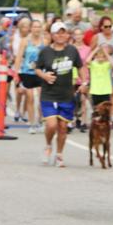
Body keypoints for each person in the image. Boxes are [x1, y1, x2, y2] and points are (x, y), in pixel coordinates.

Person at [34, 22, 84, 167]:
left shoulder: (72, 50)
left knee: (62, 127)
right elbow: (37, 69)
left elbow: (80, 67)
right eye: (57, 33)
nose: (61, 35)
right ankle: (48, 145)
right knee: (51, 125)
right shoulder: (45, 52)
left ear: (67, 35)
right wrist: (44, 76)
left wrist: (84, 82)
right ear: (52, 35)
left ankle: (60, 154)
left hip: (66, 94)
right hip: (49, 94)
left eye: (63, 32)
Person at [13, 19, 45, 134]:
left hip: (41, 72)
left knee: (42, 98)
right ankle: (32, 123)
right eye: (34, 27)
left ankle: (40, 121)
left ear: (41, 28)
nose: (36, 29)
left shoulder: (44, 41)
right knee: (30, 98)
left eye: (38, 27)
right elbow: (19, 57)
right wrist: (16, 73)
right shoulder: (25, 41)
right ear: (31, 28)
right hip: (27, 72)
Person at [11, 17, 31, 123]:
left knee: (28, 91)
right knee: (19, 91)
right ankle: (18, 109)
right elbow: (14, 52)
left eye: (27, 26)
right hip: (18, 67)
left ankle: (24, 112)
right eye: (23, 26)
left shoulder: (31, 38)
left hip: (28, 68)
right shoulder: (15, 37)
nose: (25, 28)